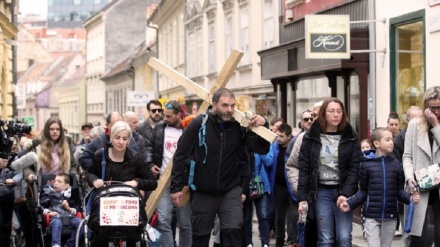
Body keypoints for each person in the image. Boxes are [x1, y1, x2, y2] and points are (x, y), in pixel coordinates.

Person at [169, 88, 270, 247]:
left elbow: (261, 149)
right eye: (224, 105)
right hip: (203, 191)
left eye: (232, 105)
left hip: (230, 191)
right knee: (200, 237)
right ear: (214, 105)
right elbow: (180, 155)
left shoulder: (239, 125)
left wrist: (265, 125)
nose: (229, 110)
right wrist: (176, 188)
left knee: (233, 234)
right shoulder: (199, 123)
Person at [297, 97, 363, 247]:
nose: (336, 115)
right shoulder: (311, 137)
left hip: (343, 192)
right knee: (325, 239)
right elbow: (305, 169)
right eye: (331, 111)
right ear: (323, 114)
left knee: (344, 238)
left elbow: (355, 168)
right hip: (321, 192)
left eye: (339, 111)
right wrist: (302, 197)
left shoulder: (351, 137)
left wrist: (346, 193)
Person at [340, 127, 420, 247]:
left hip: (390, 216)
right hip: (371, 216)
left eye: (392, 139)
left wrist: (409, 199)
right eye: (387, 140)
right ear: (377, 143)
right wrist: (350, 203)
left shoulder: (396, 165)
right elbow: (363, 191)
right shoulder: (366, 164)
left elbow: (398, 191)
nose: (391, 142)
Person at [85, 120, 158, 246]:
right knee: (100, 238)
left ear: (129, 140)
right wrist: (94, 180)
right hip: (105, 207)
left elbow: (152, 182)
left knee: (132, 237)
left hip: (128, 208)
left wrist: (136, 182)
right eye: (117, 138)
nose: (120, 142)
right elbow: (89, 174)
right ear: (111, 138)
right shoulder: (100, 155)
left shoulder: (135, 157)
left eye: (125, 138)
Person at [146, 100, 192, 247]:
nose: (164, 118)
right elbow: (149, 147)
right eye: (164, 115)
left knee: (185, 223)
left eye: (169, 116)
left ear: (179, 114)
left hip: (183, 184)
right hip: (163, 183)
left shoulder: (188, 129)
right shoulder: (159, 128)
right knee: (164, 221)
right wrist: (150, 164)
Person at [23, 117, 73, 246]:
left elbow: (73, 165)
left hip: (62, 189)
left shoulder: (67, 143)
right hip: (40, 189)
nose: (55, 132)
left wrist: (72, 177)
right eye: (52, 129)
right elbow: (27, 166)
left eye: (57, 129)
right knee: (38, 226)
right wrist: (30, 175)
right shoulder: (36, 145)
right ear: (47, 130)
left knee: (64, 222)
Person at [403, 86, 440, 247]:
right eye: (432, 107)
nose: (436, 111)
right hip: (419, 185)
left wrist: (436, 125)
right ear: (425, 106)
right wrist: (410, 178)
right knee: (418, 237)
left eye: (439, 107)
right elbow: (407, 156)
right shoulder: (414, 125)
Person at [40, 173, 82, 247]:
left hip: (69, 216)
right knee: (57, 223)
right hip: (55, 216)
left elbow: (77, 207)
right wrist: (49, 212)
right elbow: (41, 206)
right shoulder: (48, 192)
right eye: (55, 181)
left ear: (66, 185)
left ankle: (69, 245)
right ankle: (56, 244)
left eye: (59, 182)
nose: (55, 183)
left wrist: (68, 209)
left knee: (82, 225)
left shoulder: (70, 194)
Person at [0, 155, 22, 246]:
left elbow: (19, 173)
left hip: (7, 194)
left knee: (6, 225)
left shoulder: (11, 156)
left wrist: (14, 180)